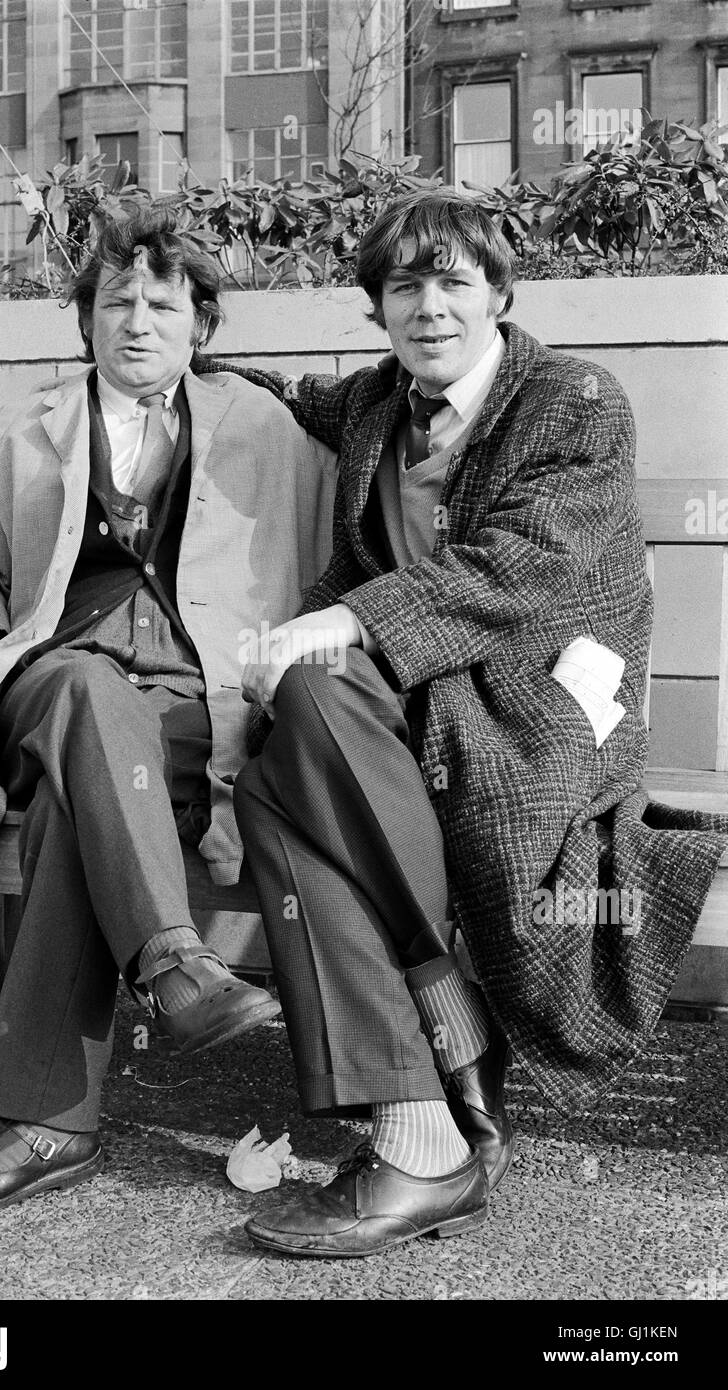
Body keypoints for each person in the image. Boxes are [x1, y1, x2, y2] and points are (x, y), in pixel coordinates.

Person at [199, 188, 728, 1258]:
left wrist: (340, 619)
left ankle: (425, 1084)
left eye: (452, 282)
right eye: (404, 287)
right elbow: (284, 395)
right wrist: (175, 370)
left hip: (536, 705)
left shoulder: (573, 399)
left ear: (497, 292)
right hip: (402, 703)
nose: (428, 307)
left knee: (284, 768)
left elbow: (521, 567)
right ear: (376, 309)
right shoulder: (373, 406)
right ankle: (427, 1092)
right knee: (283, 749)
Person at [0, 207, 336, 1216]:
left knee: (86, 813)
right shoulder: (21, 429)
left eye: (161, 304)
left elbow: (356, 520)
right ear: (85, 320)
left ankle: (47, 1125)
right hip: (46, 686)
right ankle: (168, 960)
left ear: (200, 325)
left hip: (188, 717)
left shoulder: (264, 428)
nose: (135, 321)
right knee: (83, 691)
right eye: (114, 301)